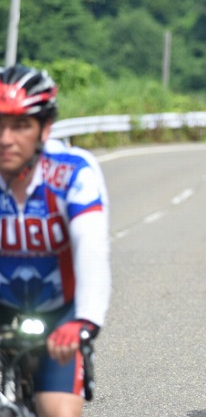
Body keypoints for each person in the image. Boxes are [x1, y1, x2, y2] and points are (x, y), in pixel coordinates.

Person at [0, 65, 111, 417]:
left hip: (60, 313)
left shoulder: (73, 171)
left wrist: (85, 321)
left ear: (44, 129)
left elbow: (91, 248)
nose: (5, 138)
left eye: (20, 126)